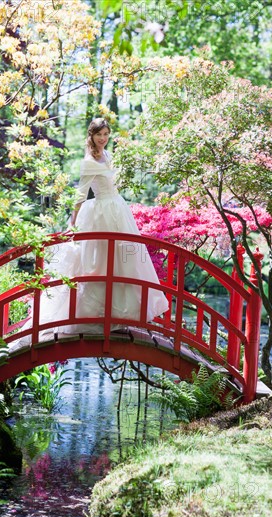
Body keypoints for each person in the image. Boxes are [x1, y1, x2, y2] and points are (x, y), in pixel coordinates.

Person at [10, 118, 168, 349]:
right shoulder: (89, 162)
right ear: (91, 136)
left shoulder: (108, 155)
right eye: (99, 134)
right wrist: (73, 225)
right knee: (99, 263)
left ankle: (118, 314)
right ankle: (90, 314)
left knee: (122, 262)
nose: (103, 138)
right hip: (101, 213)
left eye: (106, 134)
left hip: (117, 210)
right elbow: (81, 194)